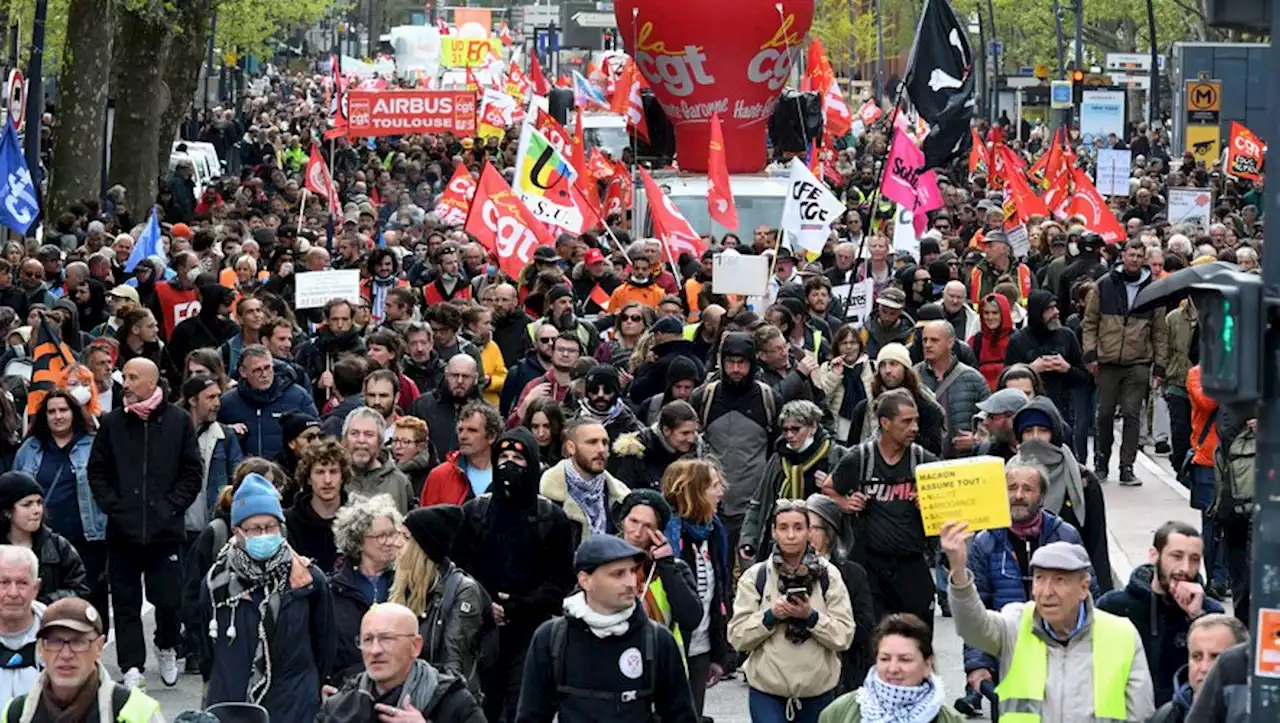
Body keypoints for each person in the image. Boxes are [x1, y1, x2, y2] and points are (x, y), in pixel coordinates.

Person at [944, 529, 1155, 723]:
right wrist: (959, 573)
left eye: (1059, 580)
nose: (1046, 592)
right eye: (1040, 579)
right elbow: (972, 627)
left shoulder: (1121, 635)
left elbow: (1140, 714)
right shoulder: (1016, 623)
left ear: (1083, 588)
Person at [87, 357, 202, 690]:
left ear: (152, 383)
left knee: (169, 599)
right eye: (126, 376)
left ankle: (166, 644)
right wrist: (115, 507)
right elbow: (98, 471)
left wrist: (169, 508)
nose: (127, 382)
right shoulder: (112, 423)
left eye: (134, 377)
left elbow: (191, 472)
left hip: (165, 531)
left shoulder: (179, 421)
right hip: (122, 530)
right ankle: (131, 665)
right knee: (125, 601)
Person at [452, 427, 576, 722]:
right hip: (480, 633)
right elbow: (458, 570)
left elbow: (561, 581)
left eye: (518, 459)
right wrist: (485, 604)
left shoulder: (552, 519)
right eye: (503, 457)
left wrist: (520, 605)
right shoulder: (474, 513)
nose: (509, 464)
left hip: (531, 635)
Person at [953, 461, 1096, 716]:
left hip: (1061, 654)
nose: (1018, 495)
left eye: (1027, 489)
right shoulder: (985, 542)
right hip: (1008, 656)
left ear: (1042, 496)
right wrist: (978, 665)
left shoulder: (1066, 536)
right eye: (1012, 488)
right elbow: (978, 609)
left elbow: (1089, 595)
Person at [514, 535, 699, 723]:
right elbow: (531, 716)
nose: (630, 582)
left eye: (632, 571)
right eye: (618, 574)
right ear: (585, 581)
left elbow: (681, 716)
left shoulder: (658, 640)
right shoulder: (551, 638)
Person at [200, 472, 336, 721]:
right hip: (232, 706)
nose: (264, 534)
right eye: (254, 529)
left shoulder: (308, 580)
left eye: (271, 526)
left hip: (294, 706)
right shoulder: (215, 583)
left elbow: (324, 643)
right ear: (236, 531)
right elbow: (206, 648)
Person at [728, 499, 855, 723]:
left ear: (809, 532)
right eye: (783, 528)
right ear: (774, 532)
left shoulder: (829, 576)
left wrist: (811, 617)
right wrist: (771, 616)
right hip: (767, 691)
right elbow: (738, 637)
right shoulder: (757, 577)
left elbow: (844, 635)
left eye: (798, 527)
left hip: (817, 691)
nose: (791, 535)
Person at [832, 388, 938, 625]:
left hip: (912, 563)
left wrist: (931, 505)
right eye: (907, 422)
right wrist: (845, 503)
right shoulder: (859, 458)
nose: (915, 428)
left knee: (918, 638)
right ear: (885, 423)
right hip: (869, 564)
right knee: (872, 637)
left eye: (916, 421)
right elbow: (829, 488)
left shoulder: (924, 460)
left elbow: (948, 509)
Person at [1097, 522, 1225, 706]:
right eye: (1176, 556)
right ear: (1154, 555)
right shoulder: (1113, 607)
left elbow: (1217, 680)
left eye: (1194, 559)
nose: (1185, 568)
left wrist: (1197, 617)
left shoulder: (1211, 614)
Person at [13, 391, 108, 624]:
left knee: (89, 602)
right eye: (51, 411)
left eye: (63, 410)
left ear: (74, 413)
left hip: (87, 537)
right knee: (46, 602)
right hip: (41, 539)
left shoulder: (93, 443)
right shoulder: (30, 448)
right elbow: (13, 488)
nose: (57, 416)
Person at [1083, 238, 1168, 484]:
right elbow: (1090, 322)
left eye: (1140, 256)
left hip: (1138, 360)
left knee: (1132, 414)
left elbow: (1160, 331)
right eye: (1131, 254)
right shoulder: (1105, 284)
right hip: (1107, 360)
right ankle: (1101, 462)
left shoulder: (1153, 290)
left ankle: (1127, 467)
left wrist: (1159, 365)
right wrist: (1091, 353)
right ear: (1124, 256)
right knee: (1104, 414)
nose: (1135, 259)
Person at [1, 597, 163, 722]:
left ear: (99, 647)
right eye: (55, 642)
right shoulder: (16, 714)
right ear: (41, 649)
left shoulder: (136, 712)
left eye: (78, 642)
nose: (66, 654)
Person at [318, 603, 486, 723]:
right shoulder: (340, 705)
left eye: (387, 638)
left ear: (415, 646)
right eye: (367, 640)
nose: (375, 650)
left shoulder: (452, 702)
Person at [691, 331, 778, 556]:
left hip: (754, 505)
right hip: (710, 504)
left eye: (742, 363)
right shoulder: (704, 398)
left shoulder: (769, 400)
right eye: (730, 362)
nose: (736, 369)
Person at [661, 458, 733, 717]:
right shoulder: (666, 535)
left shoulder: (715, 532)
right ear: (694, 492)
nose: (721, 493)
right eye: (714, 486)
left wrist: (718, 654)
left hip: (700, 649)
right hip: (667, 650)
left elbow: (719, 596)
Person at [392, 505, 490, 691]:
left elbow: (453, 665)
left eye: (405, 537)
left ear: (424, 549)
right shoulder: (401, 585)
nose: (395, 543)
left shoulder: (462, 591)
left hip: (443, 700)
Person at [741, 400, 847, 563]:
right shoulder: (778, 459)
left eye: (796, 429)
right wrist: (748, 540)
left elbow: (851, 504)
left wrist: (831, 489)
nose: (790, 435)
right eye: (785, 430)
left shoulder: (835, 456)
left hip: (821, 547)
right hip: (780, 543)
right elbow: (759, 502)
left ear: (812, 427)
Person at [818, 614, 963, 723]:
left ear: (927, 665)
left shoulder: (950, 719)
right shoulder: (838, 713)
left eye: (905, 659)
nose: (893, 669)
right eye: (885, 659)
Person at [327, 493, 404, 686]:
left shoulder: (406, 580)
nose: (390, 542)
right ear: (359, 540)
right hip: (349, 687)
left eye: (393, 533)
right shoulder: (335, 589)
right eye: (381, 536)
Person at [615, 490, 702, 656]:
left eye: (647, 526)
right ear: (623, 521)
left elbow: (690, 619)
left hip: (660, 666)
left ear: (658, 532)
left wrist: (666, 564)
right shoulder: (601, 564)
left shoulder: (673, 568)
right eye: (633, 521)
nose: (637, 532)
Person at [804, 493, 875, 695]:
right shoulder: (777, 573)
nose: (804, 534)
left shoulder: (852, 574)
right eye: (801, 526)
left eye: (812, 528)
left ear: (829, 532)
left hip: (841, 674)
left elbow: (863, 628)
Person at [0, 470, 88, 605]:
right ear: (7, 511)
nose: (36, 510)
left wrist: (43, 603)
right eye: (27, 504)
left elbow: (79, 590)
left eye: (39, 502)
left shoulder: (58, 546)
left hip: (50, 621)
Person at [540, 419, 630, 548]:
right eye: (592, 442)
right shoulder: (546, 496)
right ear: (571, 447)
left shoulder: (622, 497)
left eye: (605, 443)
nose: (601, 449)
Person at [847, 343, 946, 456]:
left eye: (893, 364)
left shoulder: (926, 407)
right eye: (882, 365)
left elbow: (934, 449)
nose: (887, 370)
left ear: (905, 369)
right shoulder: (864, 408)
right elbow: (850, 450)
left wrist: (904, 432)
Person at [1149, 614, 1247, 723]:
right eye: (1196, 656)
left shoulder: (1258, 716)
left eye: (1216, 658)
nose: (1204, 668)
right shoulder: (1164, 717)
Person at [915, 320, 990, 457]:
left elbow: (989, 419)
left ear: (950, 343)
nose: (927, 345)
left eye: (934, 340)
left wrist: (976, 439)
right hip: (923, 463)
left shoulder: (973, 379)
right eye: (925, 340)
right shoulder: (913, 378)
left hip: (963, 463)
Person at [284, 439, 352, 573]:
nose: (327, 480)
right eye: (320, 472)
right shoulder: (289, 522)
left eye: (333, 472)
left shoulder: (357, 519)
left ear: (342, 476)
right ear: (308, 478)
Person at [608, 400, 706, 491]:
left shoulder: (699, 453)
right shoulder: (636, 453)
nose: (691, 439)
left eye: (694, 432)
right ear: (666, 430)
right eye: (685, 433)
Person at [420, 401, 501, 506]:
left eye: (472, 430)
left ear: (491, 437)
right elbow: (425, 519)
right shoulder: (439, 476)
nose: (463, 436)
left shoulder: (505, 475)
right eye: (460, 430)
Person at [0, 546, 49, 704]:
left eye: (22, 583)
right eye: (4, 582)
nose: (13, 593)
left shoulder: (60, 640)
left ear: (36, 588)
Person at [343, 407, 415, 514]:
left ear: (380, 441)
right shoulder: (334, 479)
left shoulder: (400, 483)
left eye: (369, 434)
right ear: (345, 440)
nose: (361, 440)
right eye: (354, 433)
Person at [296, 298, 366, 407]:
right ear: (327, 320)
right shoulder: (312, 348)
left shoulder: (361, 348)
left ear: (352, 319)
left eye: (344, 319)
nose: (340, 324)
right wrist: (317, 384)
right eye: (335, 319)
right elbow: (300, 382)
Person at [409, 354, 483, 457]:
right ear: (446, 375)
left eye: (466, 376)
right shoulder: (422, 406)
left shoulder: (485, 412)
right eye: (455, 375)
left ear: (475, 379)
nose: (460, 381)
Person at [392, 416, 437, 499]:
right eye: (395, 440)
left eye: (405, 442)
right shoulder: (385, 469)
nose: (398, 446)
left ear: (421, 446)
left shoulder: (433, 476)